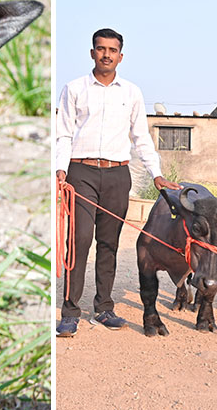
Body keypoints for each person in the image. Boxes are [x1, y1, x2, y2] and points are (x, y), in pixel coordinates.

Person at [55, 28, 179, 337]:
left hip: (116, 174)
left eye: (112, 50)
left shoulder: (131, 93)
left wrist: (157, 174)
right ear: (92, 53)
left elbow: (142, 139)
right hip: (80, 173)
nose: (106, 54)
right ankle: (70, 312)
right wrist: (59, 169)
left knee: (108, 243)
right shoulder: (74, 89)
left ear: (121, 56)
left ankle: (104, 309)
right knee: (79, 241)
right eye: (101, 48)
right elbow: (63, 134)